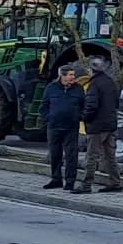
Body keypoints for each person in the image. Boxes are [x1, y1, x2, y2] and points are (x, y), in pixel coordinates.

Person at [77, 55, 123, 193]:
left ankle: (86, 185)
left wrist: (84, 118)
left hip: (97, 126)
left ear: (91, 70)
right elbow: (116, 102)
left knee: (91, 156)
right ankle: (115, 183)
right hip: (110, 125)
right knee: (110, 156)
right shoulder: (110, 82)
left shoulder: (94, 84)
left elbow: (91, 106)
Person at [41, 63, 84, 192]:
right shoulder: (51, 88)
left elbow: (84, 105)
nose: (73, 77)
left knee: (71, 156)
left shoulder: (78, 88)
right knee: (55, 154)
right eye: (71, 75)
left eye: (74, 75)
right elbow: (44, 105)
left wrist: (78, 117)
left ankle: (70, 182)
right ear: (62, 76)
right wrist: (49, 117)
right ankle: (56, 179)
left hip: (71, 128)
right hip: (54, 127)